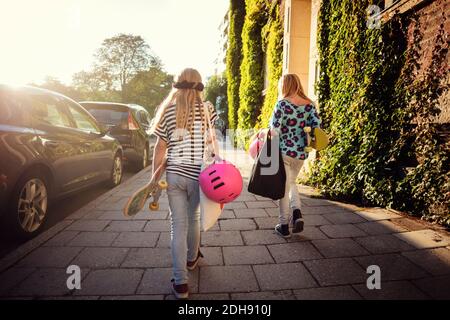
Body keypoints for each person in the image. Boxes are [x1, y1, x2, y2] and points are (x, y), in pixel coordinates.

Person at [150, 68, 217, 299]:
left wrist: (153, 178)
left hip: (174, 176)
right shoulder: (207, 108)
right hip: (199, 175)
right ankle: (191, 260)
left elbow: (160, 147)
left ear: (176, 84)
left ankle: (180, 283)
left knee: (177, 225)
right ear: (199, 84)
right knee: (194, 218)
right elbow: (212, 139)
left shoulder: (167, 110)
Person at [269, 74, 322, 238]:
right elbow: (317, 128)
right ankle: (297, 213)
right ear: (297, 84)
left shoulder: (282, 104)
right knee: (291, 182)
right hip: (301, 153)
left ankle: (284, 225)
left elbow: (274, 129)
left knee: (283, 189)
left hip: (284, 151)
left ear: (284, 86)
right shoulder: (310, 105)